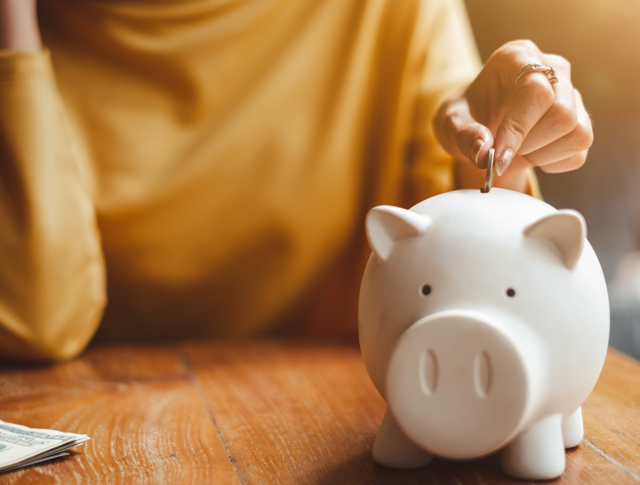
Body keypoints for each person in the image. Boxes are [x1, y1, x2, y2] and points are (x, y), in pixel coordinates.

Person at [0, 0, 592, 361]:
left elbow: (471, 284)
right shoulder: (37, 29)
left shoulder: (389, 10)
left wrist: (498, 158)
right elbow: (36, 320)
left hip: (342, 419)